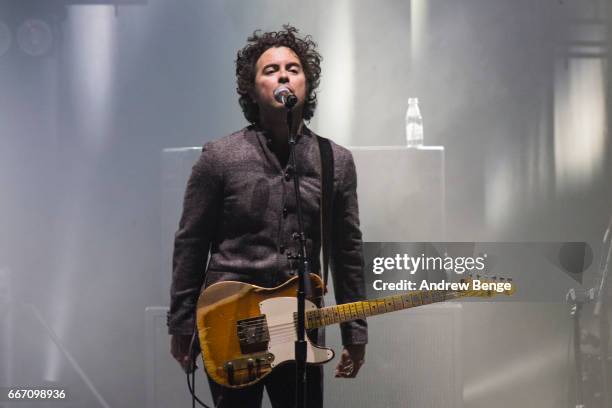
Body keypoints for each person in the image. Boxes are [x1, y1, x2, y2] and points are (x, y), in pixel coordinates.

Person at [168, 25, 367, 408]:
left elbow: (347, 253)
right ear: (252, 89)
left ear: (307, 83)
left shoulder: (335, 161)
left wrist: (354, 333)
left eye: (293, 68)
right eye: (270, 69)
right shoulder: (220, 158)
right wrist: (182, 325)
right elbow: (190, 244)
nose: (283, 75)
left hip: (301, 327)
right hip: (230, 325)